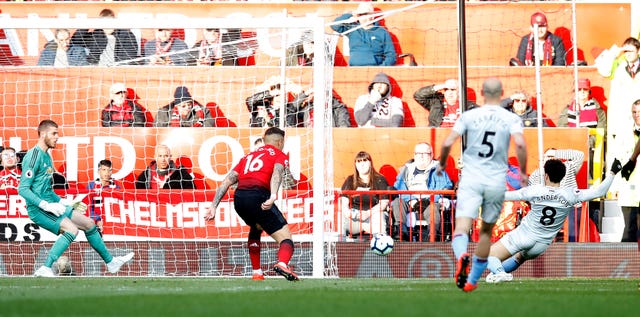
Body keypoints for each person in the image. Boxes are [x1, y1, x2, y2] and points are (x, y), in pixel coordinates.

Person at [437, 77, 528, 292]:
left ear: (482, 93)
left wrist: (442, 163)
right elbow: (521, 145)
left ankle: (461, 256)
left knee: (462, 228)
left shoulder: (469, 115)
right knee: (486, 233)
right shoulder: (510, 118)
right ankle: (472, 280)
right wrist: (522, 171)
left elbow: (449, 141)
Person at [18, 120, 134, 277]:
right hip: (37, 209)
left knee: (89, 224)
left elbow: (47, 190)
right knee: (72, 230)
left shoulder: (47, 157)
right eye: (54, 133)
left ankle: (111, 262)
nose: (57, 137)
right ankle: (45, 267)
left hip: (51, 204)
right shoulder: (33, 156)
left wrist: (63, 202)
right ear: (43, 133)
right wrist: (45, 205)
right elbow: (23, 189)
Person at [485, 159, 621, 283]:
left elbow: (505, 196)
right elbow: (599, 192)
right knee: (519, 258)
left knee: (488, 255)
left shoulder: (535, 191)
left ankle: (499, 272)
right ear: (562, 177)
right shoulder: (571, 194)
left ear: (545, 175)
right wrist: (612, 173)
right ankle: (498, 272)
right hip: (542, 244)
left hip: (524, 235)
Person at [204, 127, 299, 281]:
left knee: (256, 227)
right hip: (258, 196)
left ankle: (257, 272)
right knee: (286, 238)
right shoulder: (279, 155)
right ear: (280, 142)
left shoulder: (248, 156)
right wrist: (273, 195)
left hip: (239, 199)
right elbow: (277, 172)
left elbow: (228, 180)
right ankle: (282, 263)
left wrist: (214, 205)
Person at [390, 142, 453, 241]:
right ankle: (401, 232)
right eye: (418, 153)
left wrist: (429, 200)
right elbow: (399, 188)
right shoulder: (405, 170)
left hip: (430, 202)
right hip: (410, 200)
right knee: (397, 202)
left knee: (434, 208)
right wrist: (412, 200)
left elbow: (445, 188)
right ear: (414, 155)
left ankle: (432, 236)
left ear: (431, 155)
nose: (421, 156)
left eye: (425, 153)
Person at [595, 37, 640, 171]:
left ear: (638, 51)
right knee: (620, 156)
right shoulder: (617, 65)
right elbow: (603, 69)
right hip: (621, 119)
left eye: (631, 51)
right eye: (625, 51)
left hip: (638, 116)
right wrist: (616, 51)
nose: (627, 54)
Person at [528, 148, 584, 242]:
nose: (550, 159)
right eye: (548, 157)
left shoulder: (567, 167)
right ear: (542, 159)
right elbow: (531, 195)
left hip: (570, 208)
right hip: (548, 210)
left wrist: (555, 153)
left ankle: (570, 250)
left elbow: (580, 155)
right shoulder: (537, 174)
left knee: (571, 224)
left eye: (553, 157)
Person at [340, 151, 391, 238]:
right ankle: (339, 247)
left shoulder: (380, 179)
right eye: (359, 162)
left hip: (373, 216)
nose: (362, 164)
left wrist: (367, 213)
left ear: (370, 163)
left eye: (365, 161)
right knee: (340, 217)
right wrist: (348, 212)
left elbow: (384, 203)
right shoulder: (350, 180)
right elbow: (343, 202)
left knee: (379, 216)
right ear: (355, 164)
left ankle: (381, 246)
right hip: (355, 217)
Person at [330, 2, 397, 66]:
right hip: (354, 69)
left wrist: (381, 68)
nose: (362, 17)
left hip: (375, 68)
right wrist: (351, 14)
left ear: (372, 16)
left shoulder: (382, 32)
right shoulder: (352, 29)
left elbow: (391, 55)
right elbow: (334, 25)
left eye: (365, 14)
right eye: (360, 15)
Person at [69, 8, 139, 66]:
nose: (107, 26)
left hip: (119, 71)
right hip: (97, 71)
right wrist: (88, 24)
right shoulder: (97, 35)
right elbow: (75, 41)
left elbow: (130, 59)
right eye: (104, 23)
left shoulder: (127, 36)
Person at [617, 100, 640, 244]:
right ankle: (627, 262)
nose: (637, 115)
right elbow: (617, 157)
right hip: (628, 187)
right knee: (629, 228)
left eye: (639, 112)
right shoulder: (624, 133)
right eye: (634, 112)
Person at [413, 79, 478, 128]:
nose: (450, 93)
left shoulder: (469, 106)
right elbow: (418, 95)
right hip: (438, 136)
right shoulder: (436, 102)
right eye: (446, 89)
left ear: (459, 91)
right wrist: (443, 86)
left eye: (452, 90)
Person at [86, 159, 121, 233]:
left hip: (112, 223)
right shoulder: (91, 186)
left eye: (109, 170)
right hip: (94, 222)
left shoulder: (117, 187)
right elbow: (87, 207)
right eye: (104, 170)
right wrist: (97, 219)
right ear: (99, 171)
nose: (107, 173)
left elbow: (119, 209)